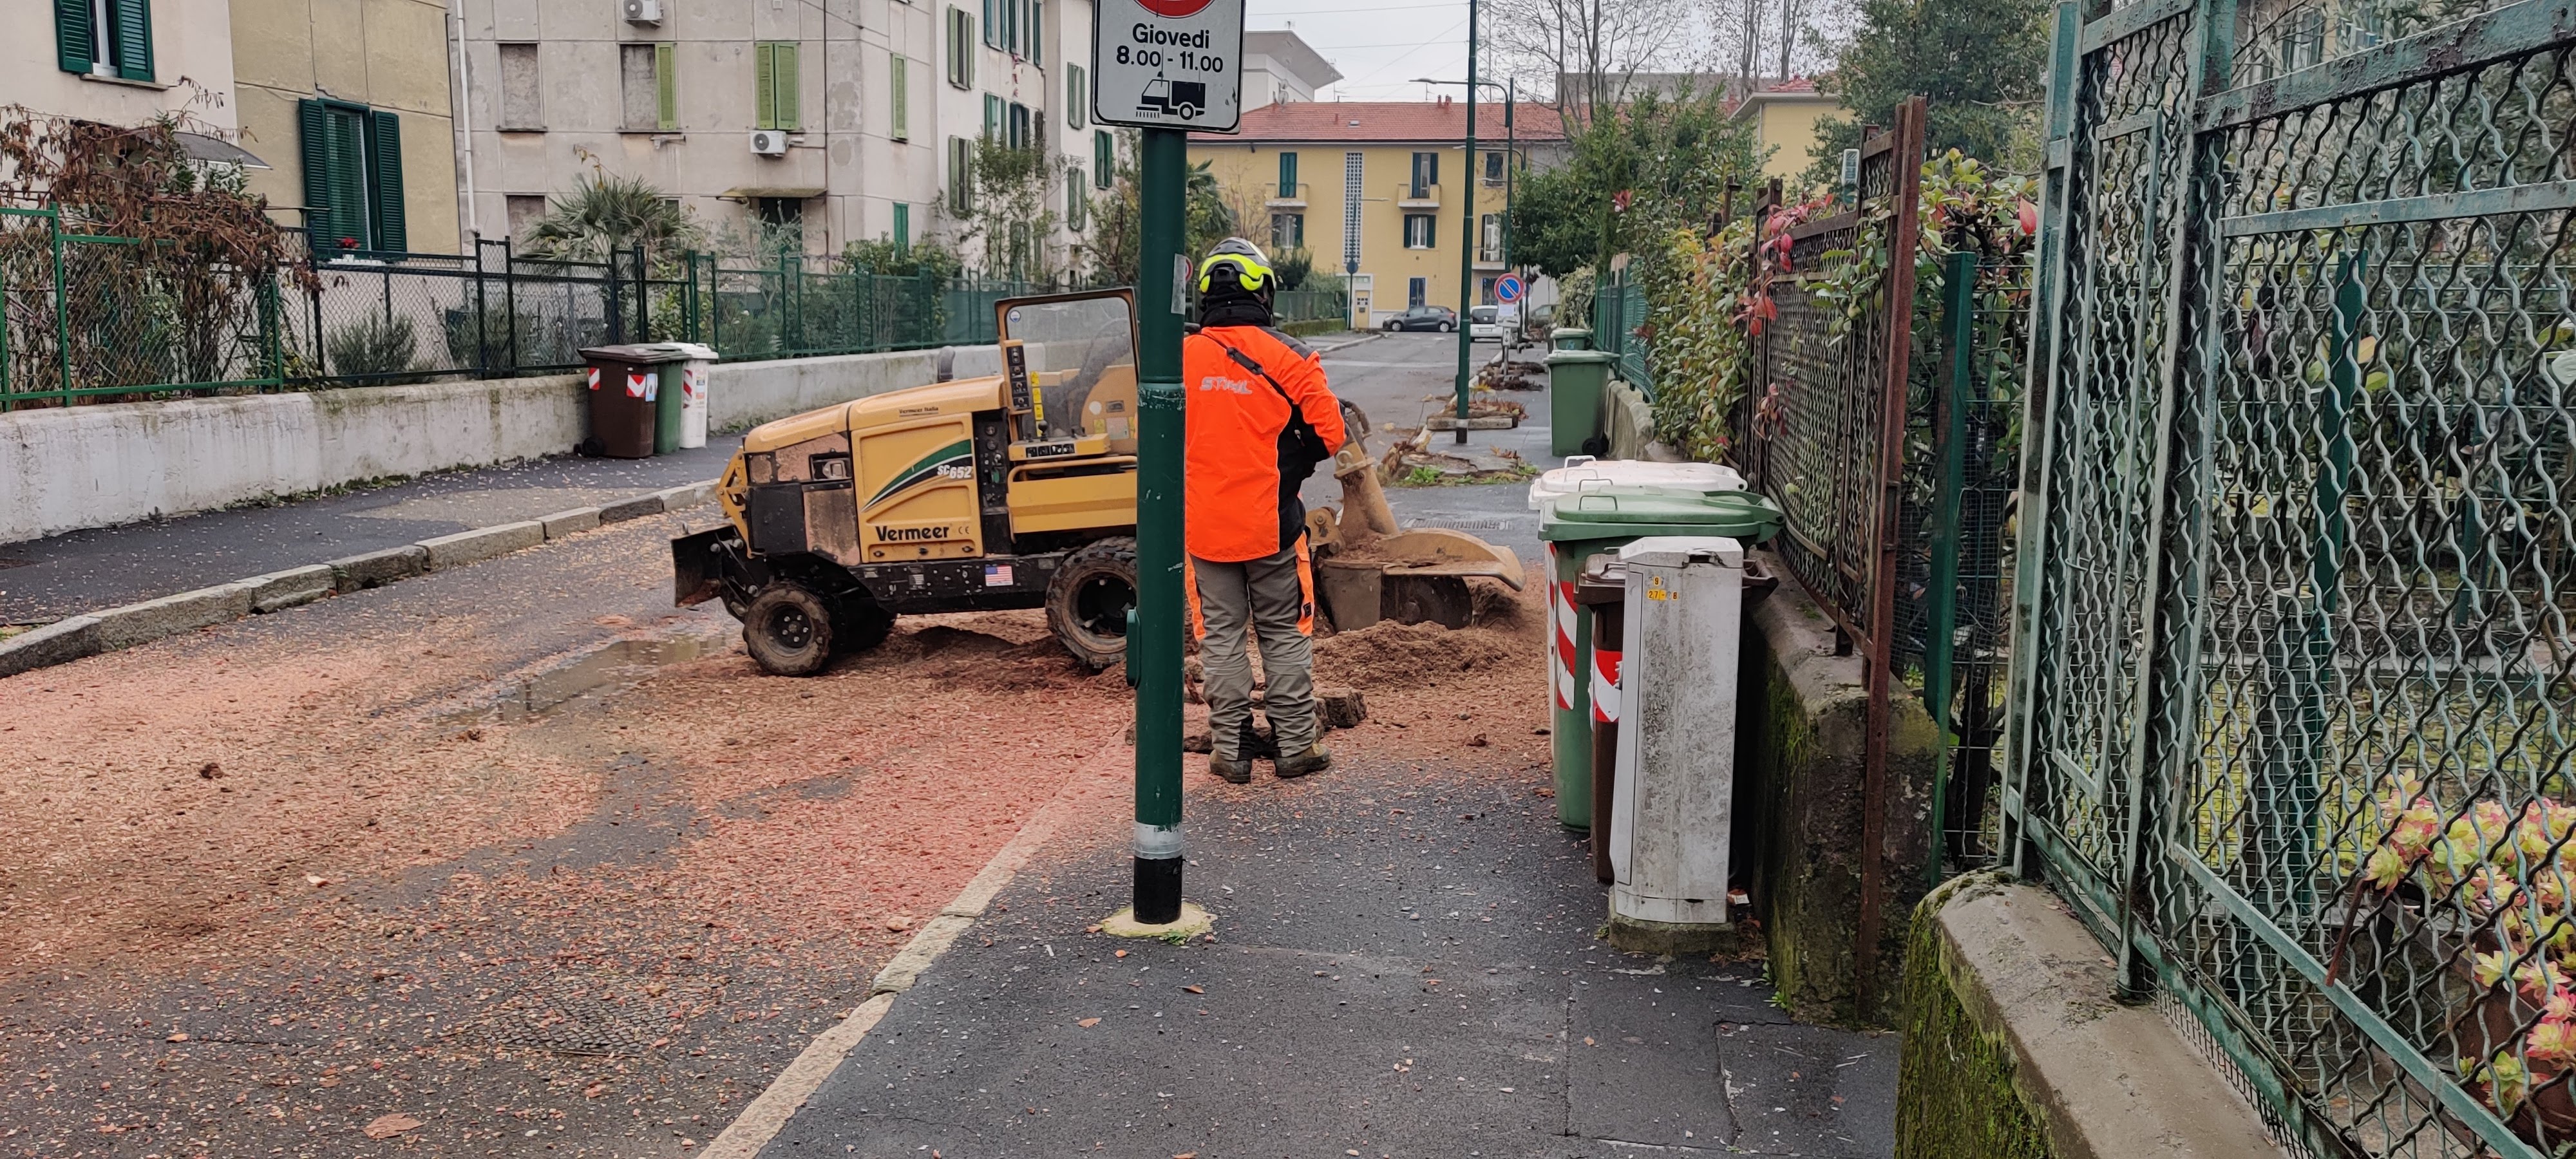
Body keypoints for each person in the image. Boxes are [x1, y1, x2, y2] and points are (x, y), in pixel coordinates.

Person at [1182, 238, 1348, 783]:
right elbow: (1331, 434)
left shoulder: (1179, 358)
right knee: (1282, 632)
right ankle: (1297, 745)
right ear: (1265, 292)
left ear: (1204, 294)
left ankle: (1231, 750)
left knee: (1221, 639)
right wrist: (1286, 461)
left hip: (1205, 528)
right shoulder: (1293, 358)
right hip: (1273, 523)